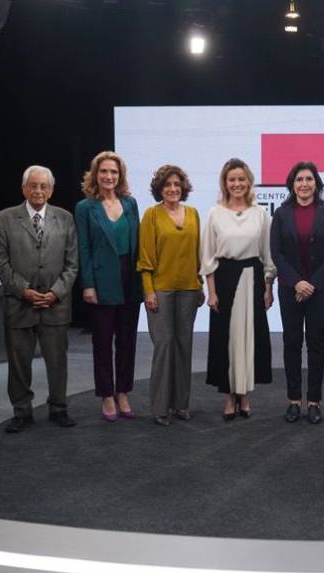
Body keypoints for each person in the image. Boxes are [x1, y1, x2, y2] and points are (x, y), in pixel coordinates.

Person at [0, 165, 79, 433]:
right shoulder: (4, 219)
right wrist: (24, 290)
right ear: (23, 188)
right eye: (33, 185)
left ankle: (58, 408)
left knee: (57, 362)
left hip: (56, 305)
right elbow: (0, 262)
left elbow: (72, 264)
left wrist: (55, 293)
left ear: (51, 190)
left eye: (44, 186)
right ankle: (22, 412)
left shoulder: (65, 218)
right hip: (19, 304)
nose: (38, 191)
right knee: (19, 364)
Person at [201, 158, 275, 420]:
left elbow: (267, 253)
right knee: (226, 340)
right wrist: (211, 291)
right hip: (224, 279)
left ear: (249, 181)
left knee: (250, 339)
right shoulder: (214, 213)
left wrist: (268, 286)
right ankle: (229, 397)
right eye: (232, 179)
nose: (237, 184)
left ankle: (245, 395)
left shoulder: (260, 213)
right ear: (225, 183)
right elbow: (208, 256)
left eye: (241, 179)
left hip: (253, 278)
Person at [270, 161, 324, 424]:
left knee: (316, 344)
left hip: (318, 290)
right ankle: (292, 400)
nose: (304, 184)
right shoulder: (280, 214)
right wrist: (296, 282)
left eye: (309, 179)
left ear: (316, 183)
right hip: (290, 290)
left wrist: (311, 284)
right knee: (291, 344)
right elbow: (276, 252)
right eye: (299, 179)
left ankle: (313, 401)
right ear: (292, 184)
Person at [75, 151, 143, 421]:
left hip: (130, 280)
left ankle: (123, 391)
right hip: (101, 282)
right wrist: (88, 284)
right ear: (95, 174)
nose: (108, 176)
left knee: (127, 342)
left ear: (120, 175)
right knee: (103, 343)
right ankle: (106, 395)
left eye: (114, 172)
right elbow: (84, 248)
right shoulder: (85, 207)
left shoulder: (130, 203)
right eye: (103, 171)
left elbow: (137, 244)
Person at [137, 165, 204, 427]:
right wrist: (148, 290)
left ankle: (180, 405)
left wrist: (199, 284)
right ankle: (160, 407)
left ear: (183, 187)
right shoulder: (151, 215)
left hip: (189, 290)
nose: (173, 189)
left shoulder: (194, 214)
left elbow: (198, 253)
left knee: (183, 346)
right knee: (164, 346)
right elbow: (144, 258)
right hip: (160, 291)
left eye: (177, 184)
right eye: (167, 185)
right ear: (159, 189)